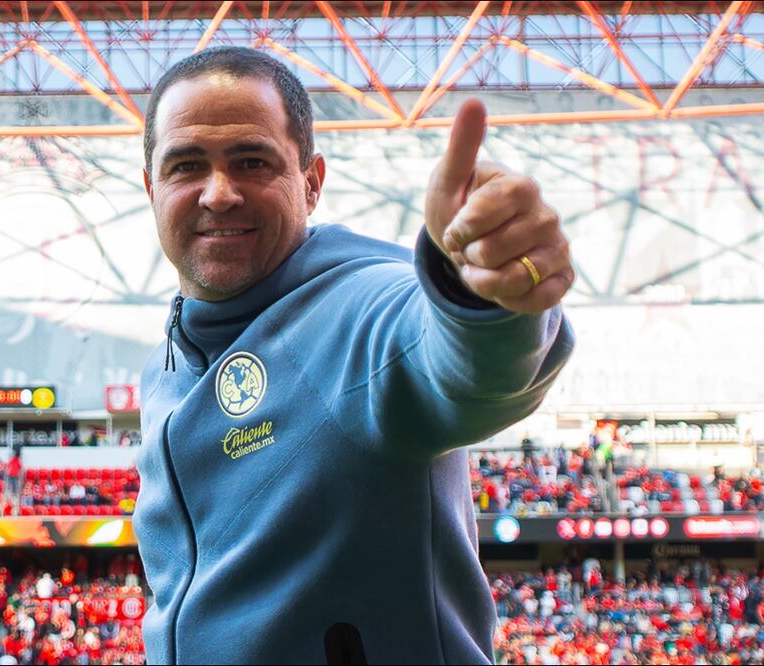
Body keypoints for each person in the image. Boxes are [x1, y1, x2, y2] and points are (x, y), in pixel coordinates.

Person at [133, 47, 574, 664]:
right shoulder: (165, 369)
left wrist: (480, 295)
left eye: (252, 161)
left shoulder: (357, 307)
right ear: (151, 186)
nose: (219, 193)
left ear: (311, 182)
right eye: (186, 166)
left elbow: (459, 365)